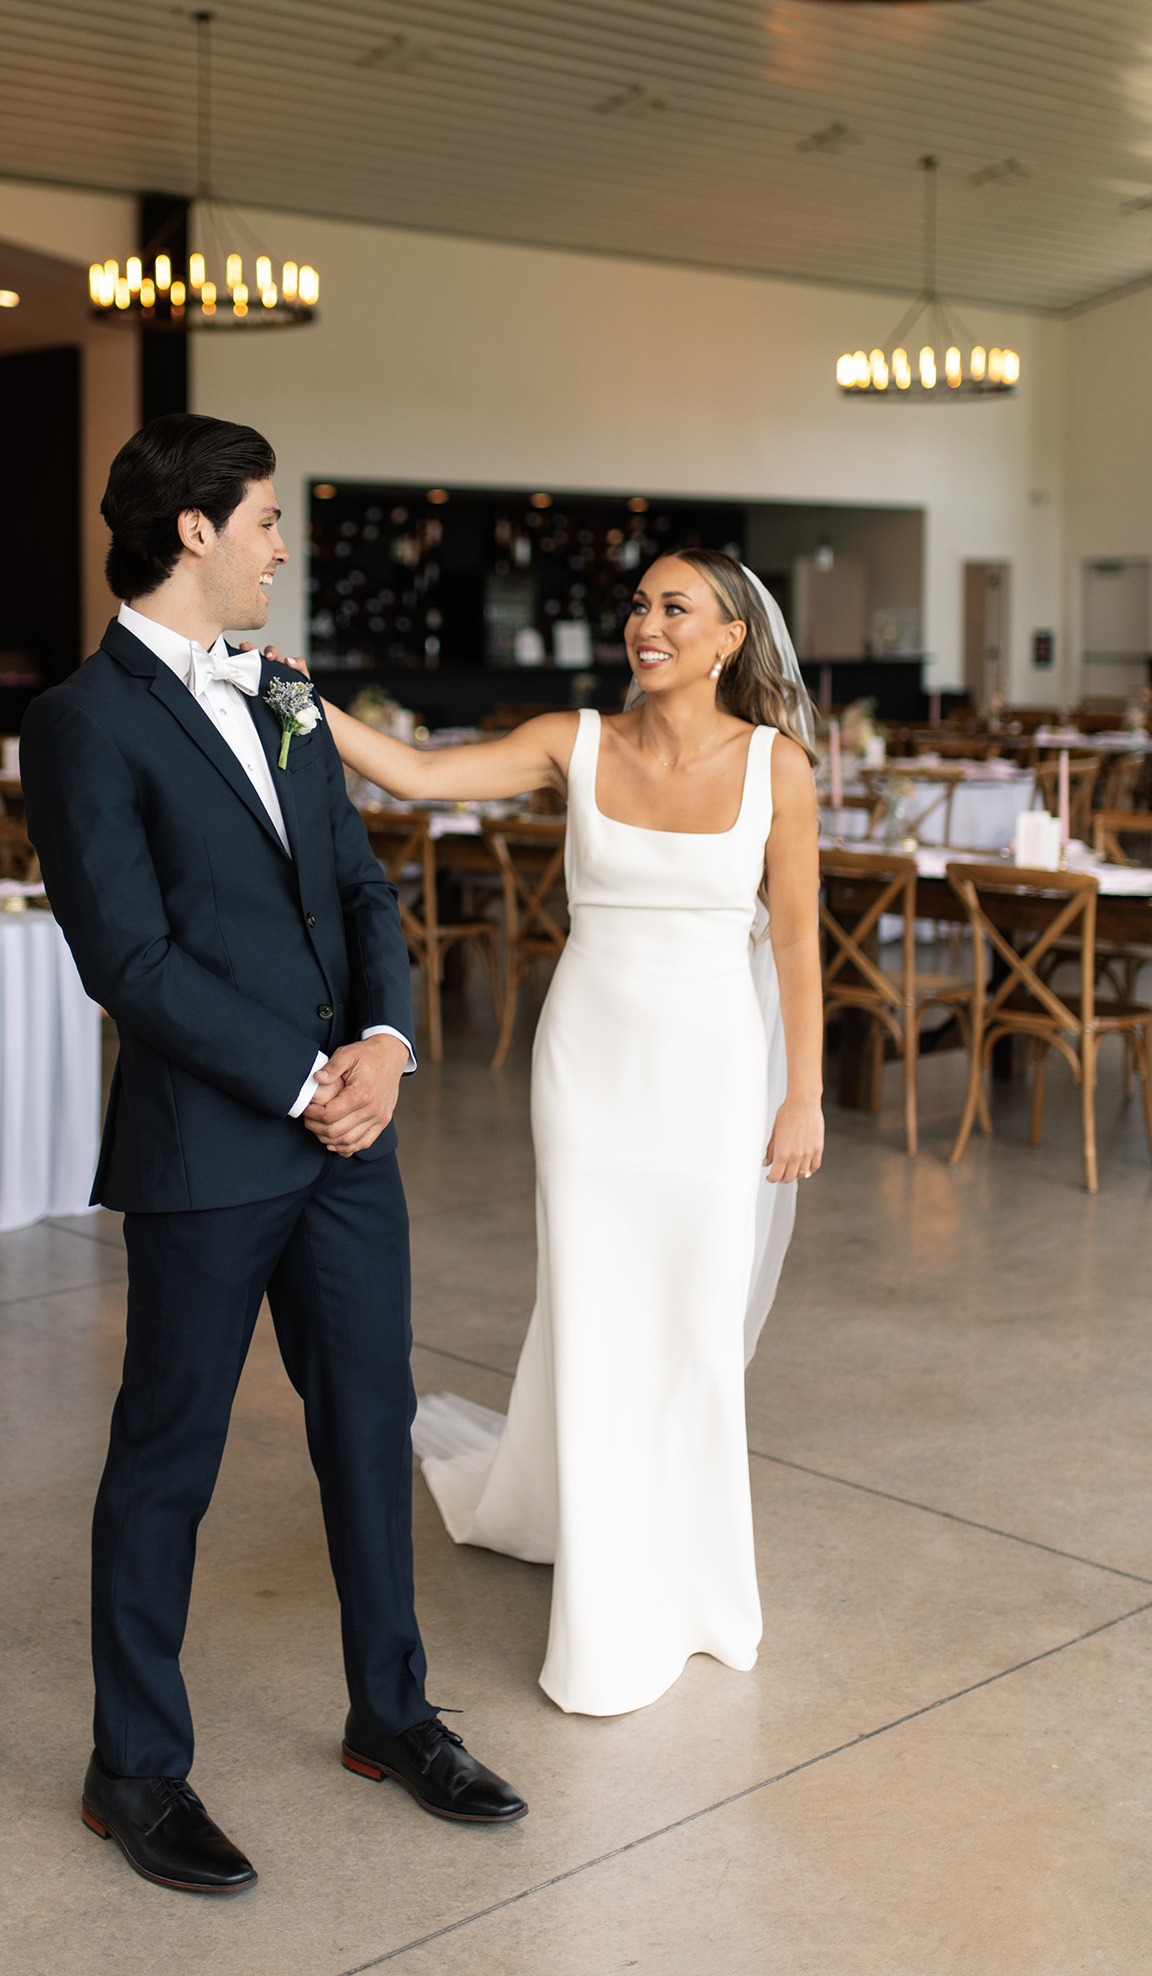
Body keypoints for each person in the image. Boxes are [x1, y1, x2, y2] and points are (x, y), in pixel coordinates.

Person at [20, 414, 526, 1900]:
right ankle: (133, 1771)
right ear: (192, 530)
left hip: (346, 1142)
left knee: (369, 1427)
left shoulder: (289, 698)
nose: (279, 550)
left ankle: (391, 1715)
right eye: (264, 522)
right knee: (165, 1455)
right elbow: (129, 957)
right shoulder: (80, 719)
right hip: (208, 1145)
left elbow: (364, 889)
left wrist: (382, 1044)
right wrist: (305, 1077)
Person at [311, 549, 823, 1718]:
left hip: (710, 1071)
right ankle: (600, 1604)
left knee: (691, 1316)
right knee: (591, 1304)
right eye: (637, 604)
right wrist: (309, 703)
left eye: (672, 607)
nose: (645, 623)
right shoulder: (570, 739)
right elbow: (419, 775)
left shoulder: (775, 767)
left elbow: (793, 941)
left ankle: (690, 1583)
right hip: (587, 1064)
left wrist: (801, 1092)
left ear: (728, 636)